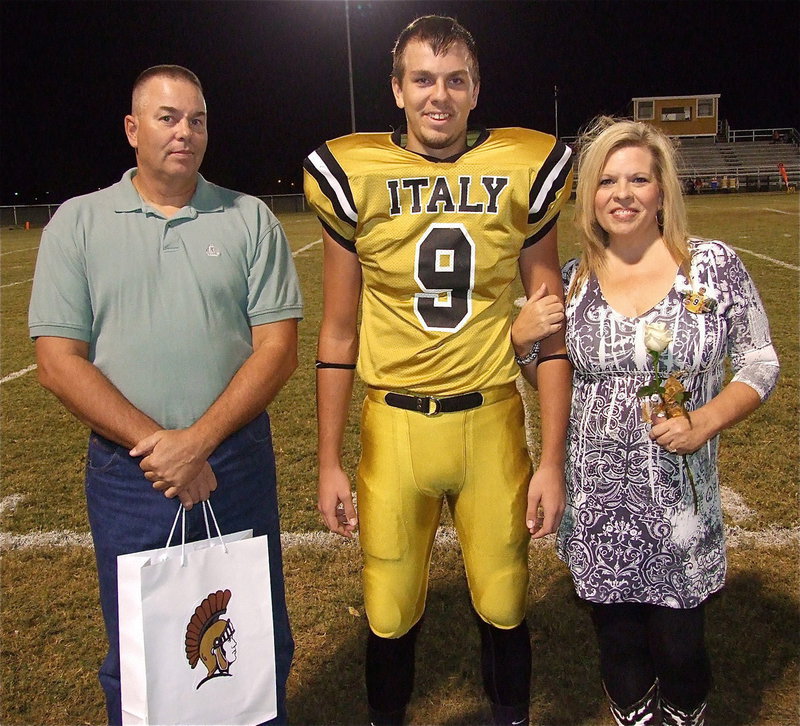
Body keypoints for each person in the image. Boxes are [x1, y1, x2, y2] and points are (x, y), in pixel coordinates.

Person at [303, 15, 573, 726]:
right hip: (394, 420)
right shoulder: (353, 173)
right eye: (423, 79)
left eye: (455, 80)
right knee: (388, 604)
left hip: (491, 416)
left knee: (506, 596)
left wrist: (552, 459)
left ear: (477, 89)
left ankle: (509, 716)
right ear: (396, 88)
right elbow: (337, 329)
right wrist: (328, 459)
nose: (439, 96)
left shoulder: (523, 164)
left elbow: (551, 324)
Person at [28, 65, 302, 725]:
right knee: (142, 645)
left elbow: (279, 350)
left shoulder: (249, 219)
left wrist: (198, 442)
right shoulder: (78, 223)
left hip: (233, 461)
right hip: (130, 474)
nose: (185, 132)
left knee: (254, 633)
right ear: (132, 128)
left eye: (197, 119)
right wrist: (164, 448)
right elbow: (58, 363)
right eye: (167, 117)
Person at [557, 117, 779, 725]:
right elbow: (558, 381)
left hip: (679, 507)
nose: (621, 194)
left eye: (638, 179)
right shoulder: (574, 281)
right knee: (619, 647)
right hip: (598, 505)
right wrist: (527, 348)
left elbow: (761, 360)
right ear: (590, 195)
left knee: (681, 649)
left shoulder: (712, 266)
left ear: (662, 190)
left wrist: (706, 419)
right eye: (606, 181)